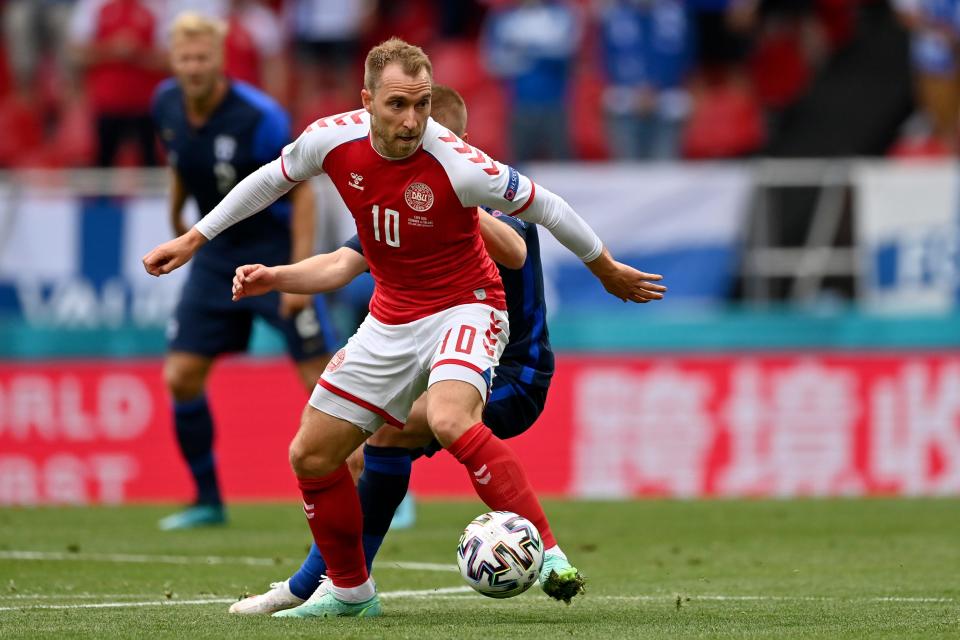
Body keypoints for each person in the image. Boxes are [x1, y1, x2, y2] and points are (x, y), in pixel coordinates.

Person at [143, 37, 665, 618]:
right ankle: (347, 591)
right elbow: (279, 188)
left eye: (421, 107)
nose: (413, 121)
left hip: (476, 320)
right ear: (366, 101)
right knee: (312, 454)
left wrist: (605, 267)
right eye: (399, 106)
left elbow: (538, 220)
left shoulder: (461, 169)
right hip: (394, 316)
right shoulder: (334, 141)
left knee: (441, 419)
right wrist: (203, 243)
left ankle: (548, 554)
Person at [226, 84, 580, 616]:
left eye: (439, 138)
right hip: (436, 357)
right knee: (347, 447)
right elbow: (344, 262)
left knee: (395, 431)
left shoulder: (495, 205)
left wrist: (457, 199)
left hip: (513, 371)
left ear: (462, 145)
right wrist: (277, 277)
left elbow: (512, 250)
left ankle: (548, 553)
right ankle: (335, 587)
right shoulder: (400, 206)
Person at [151, 12, 336, 530]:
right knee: (181, 375)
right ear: (173, 60)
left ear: (219, 59)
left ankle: (381, 475)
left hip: (273, 253)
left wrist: (297, 273)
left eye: (202, 57)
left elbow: (303, 192)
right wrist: (177, 223)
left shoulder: (260, 116)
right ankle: (207, 500)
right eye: (184, 57)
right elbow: (181, 164)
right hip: (213, 256)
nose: (193, 67)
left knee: (324, 382)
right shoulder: (164, 103)